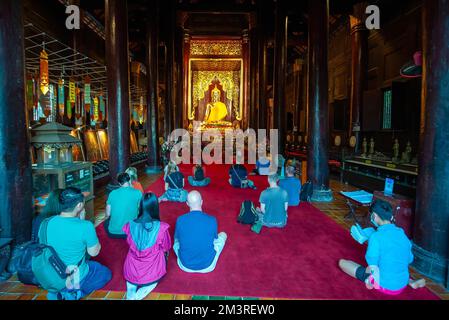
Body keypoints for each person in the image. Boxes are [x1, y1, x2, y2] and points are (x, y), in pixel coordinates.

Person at [339, 199, 426, 295]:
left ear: (374, 216)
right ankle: (410, 281)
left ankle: (376, 282)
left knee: (343, 263)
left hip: (386, 286)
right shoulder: (401, 233)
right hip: (402, 280)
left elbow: (372, 264)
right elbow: (409, 259)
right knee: (394, 264)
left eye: (372, 215)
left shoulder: (375, 236)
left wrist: (365, 241)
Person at [40, 187, 111, 300]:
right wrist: (82, 222)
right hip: (74, 274)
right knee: (105, 273)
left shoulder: (46, 222)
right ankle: (74, 293)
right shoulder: (85, 226)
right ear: (79, 206)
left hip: (51, 273)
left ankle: (57, 291)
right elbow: (94, 252)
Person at [123, 193, 171, 300]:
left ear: (140, 206)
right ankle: (138, 295)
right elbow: (166, 247)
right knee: (151, 281)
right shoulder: (161, 227)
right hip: (153, 270)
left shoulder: (130, 225)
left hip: (131, 268)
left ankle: (131, 293)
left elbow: (129, 243)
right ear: (155, 207)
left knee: (131, 284)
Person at [173, 191, 227, 273]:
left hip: (185, 265)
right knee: (223, 234)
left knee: (176, 240)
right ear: (202, 202)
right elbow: (214, 238)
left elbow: (177, 238)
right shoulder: (212, 219)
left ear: (187, 203)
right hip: (208, 265)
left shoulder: (180, 219)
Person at [105, 173, 143, 239]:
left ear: (119, 183)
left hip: (113, 232)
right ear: (129, 180)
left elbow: (108, 214)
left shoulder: (112, 193)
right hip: (131, 231)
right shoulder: (138, 193)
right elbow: (141, 210)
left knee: (106, 223)